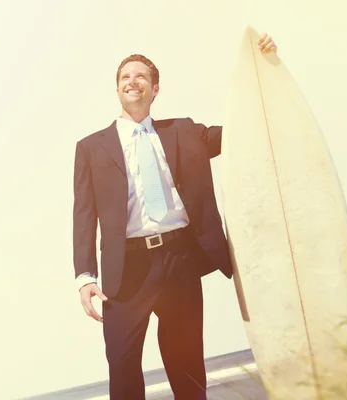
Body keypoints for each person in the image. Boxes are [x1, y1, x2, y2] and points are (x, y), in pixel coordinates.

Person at [72, 33, 278, 399]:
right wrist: (85, 275)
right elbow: (84, 215)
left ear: (155, 89)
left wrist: (266, 69)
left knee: (186, 365)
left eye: (141, 77)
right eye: (125, 77)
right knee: (122, 366)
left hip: (179, 261)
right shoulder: (91, 147)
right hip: (126, 269)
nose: (132, 81)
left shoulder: (183, 131)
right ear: (117, 89)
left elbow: (243, 132)